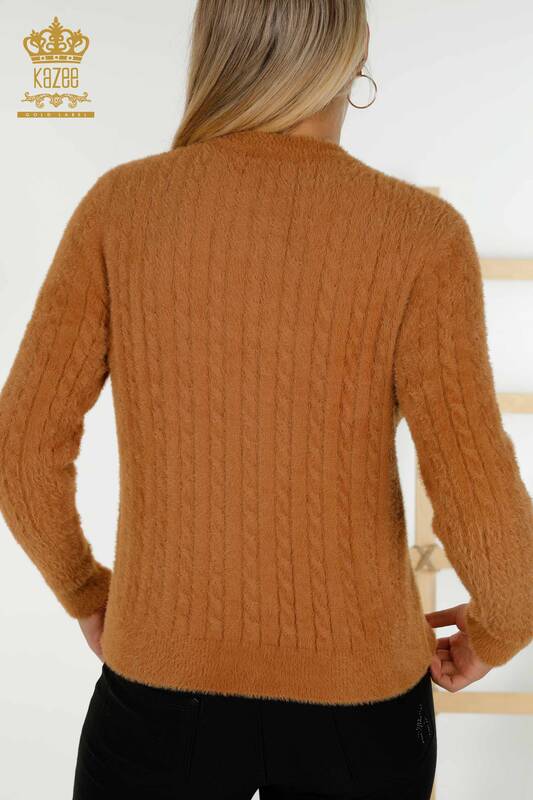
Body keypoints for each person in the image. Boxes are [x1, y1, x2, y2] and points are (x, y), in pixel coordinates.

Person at [0, 1, 532, 798]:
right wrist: (501, 626)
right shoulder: (420, 234)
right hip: (359, 703)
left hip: (159, 687)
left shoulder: (122, 208)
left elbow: (20, 449)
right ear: (352, 51)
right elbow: (474, 484)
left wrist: (87, 592)